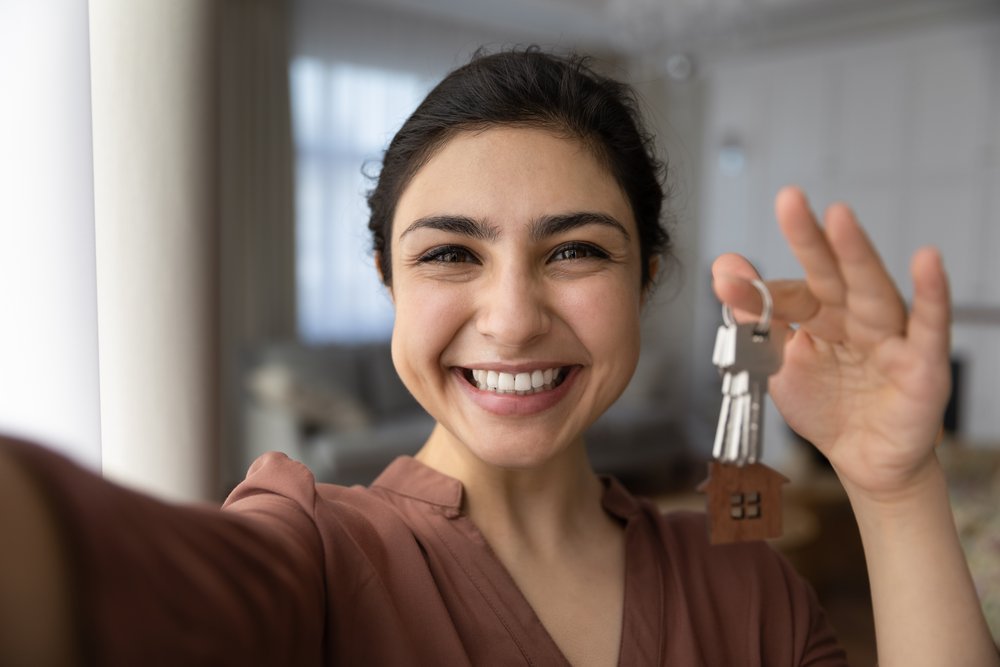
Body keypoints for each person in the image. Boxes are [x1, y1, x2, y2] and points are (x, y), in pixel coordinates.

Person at [1, 47, 996, 666]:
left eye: (573, 251)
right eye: (448, 255)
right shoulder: (309, 552)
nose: (512, 320)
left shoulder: (743, 587)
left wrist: (893, 484)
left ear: (645, 276)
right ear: (389, 283)